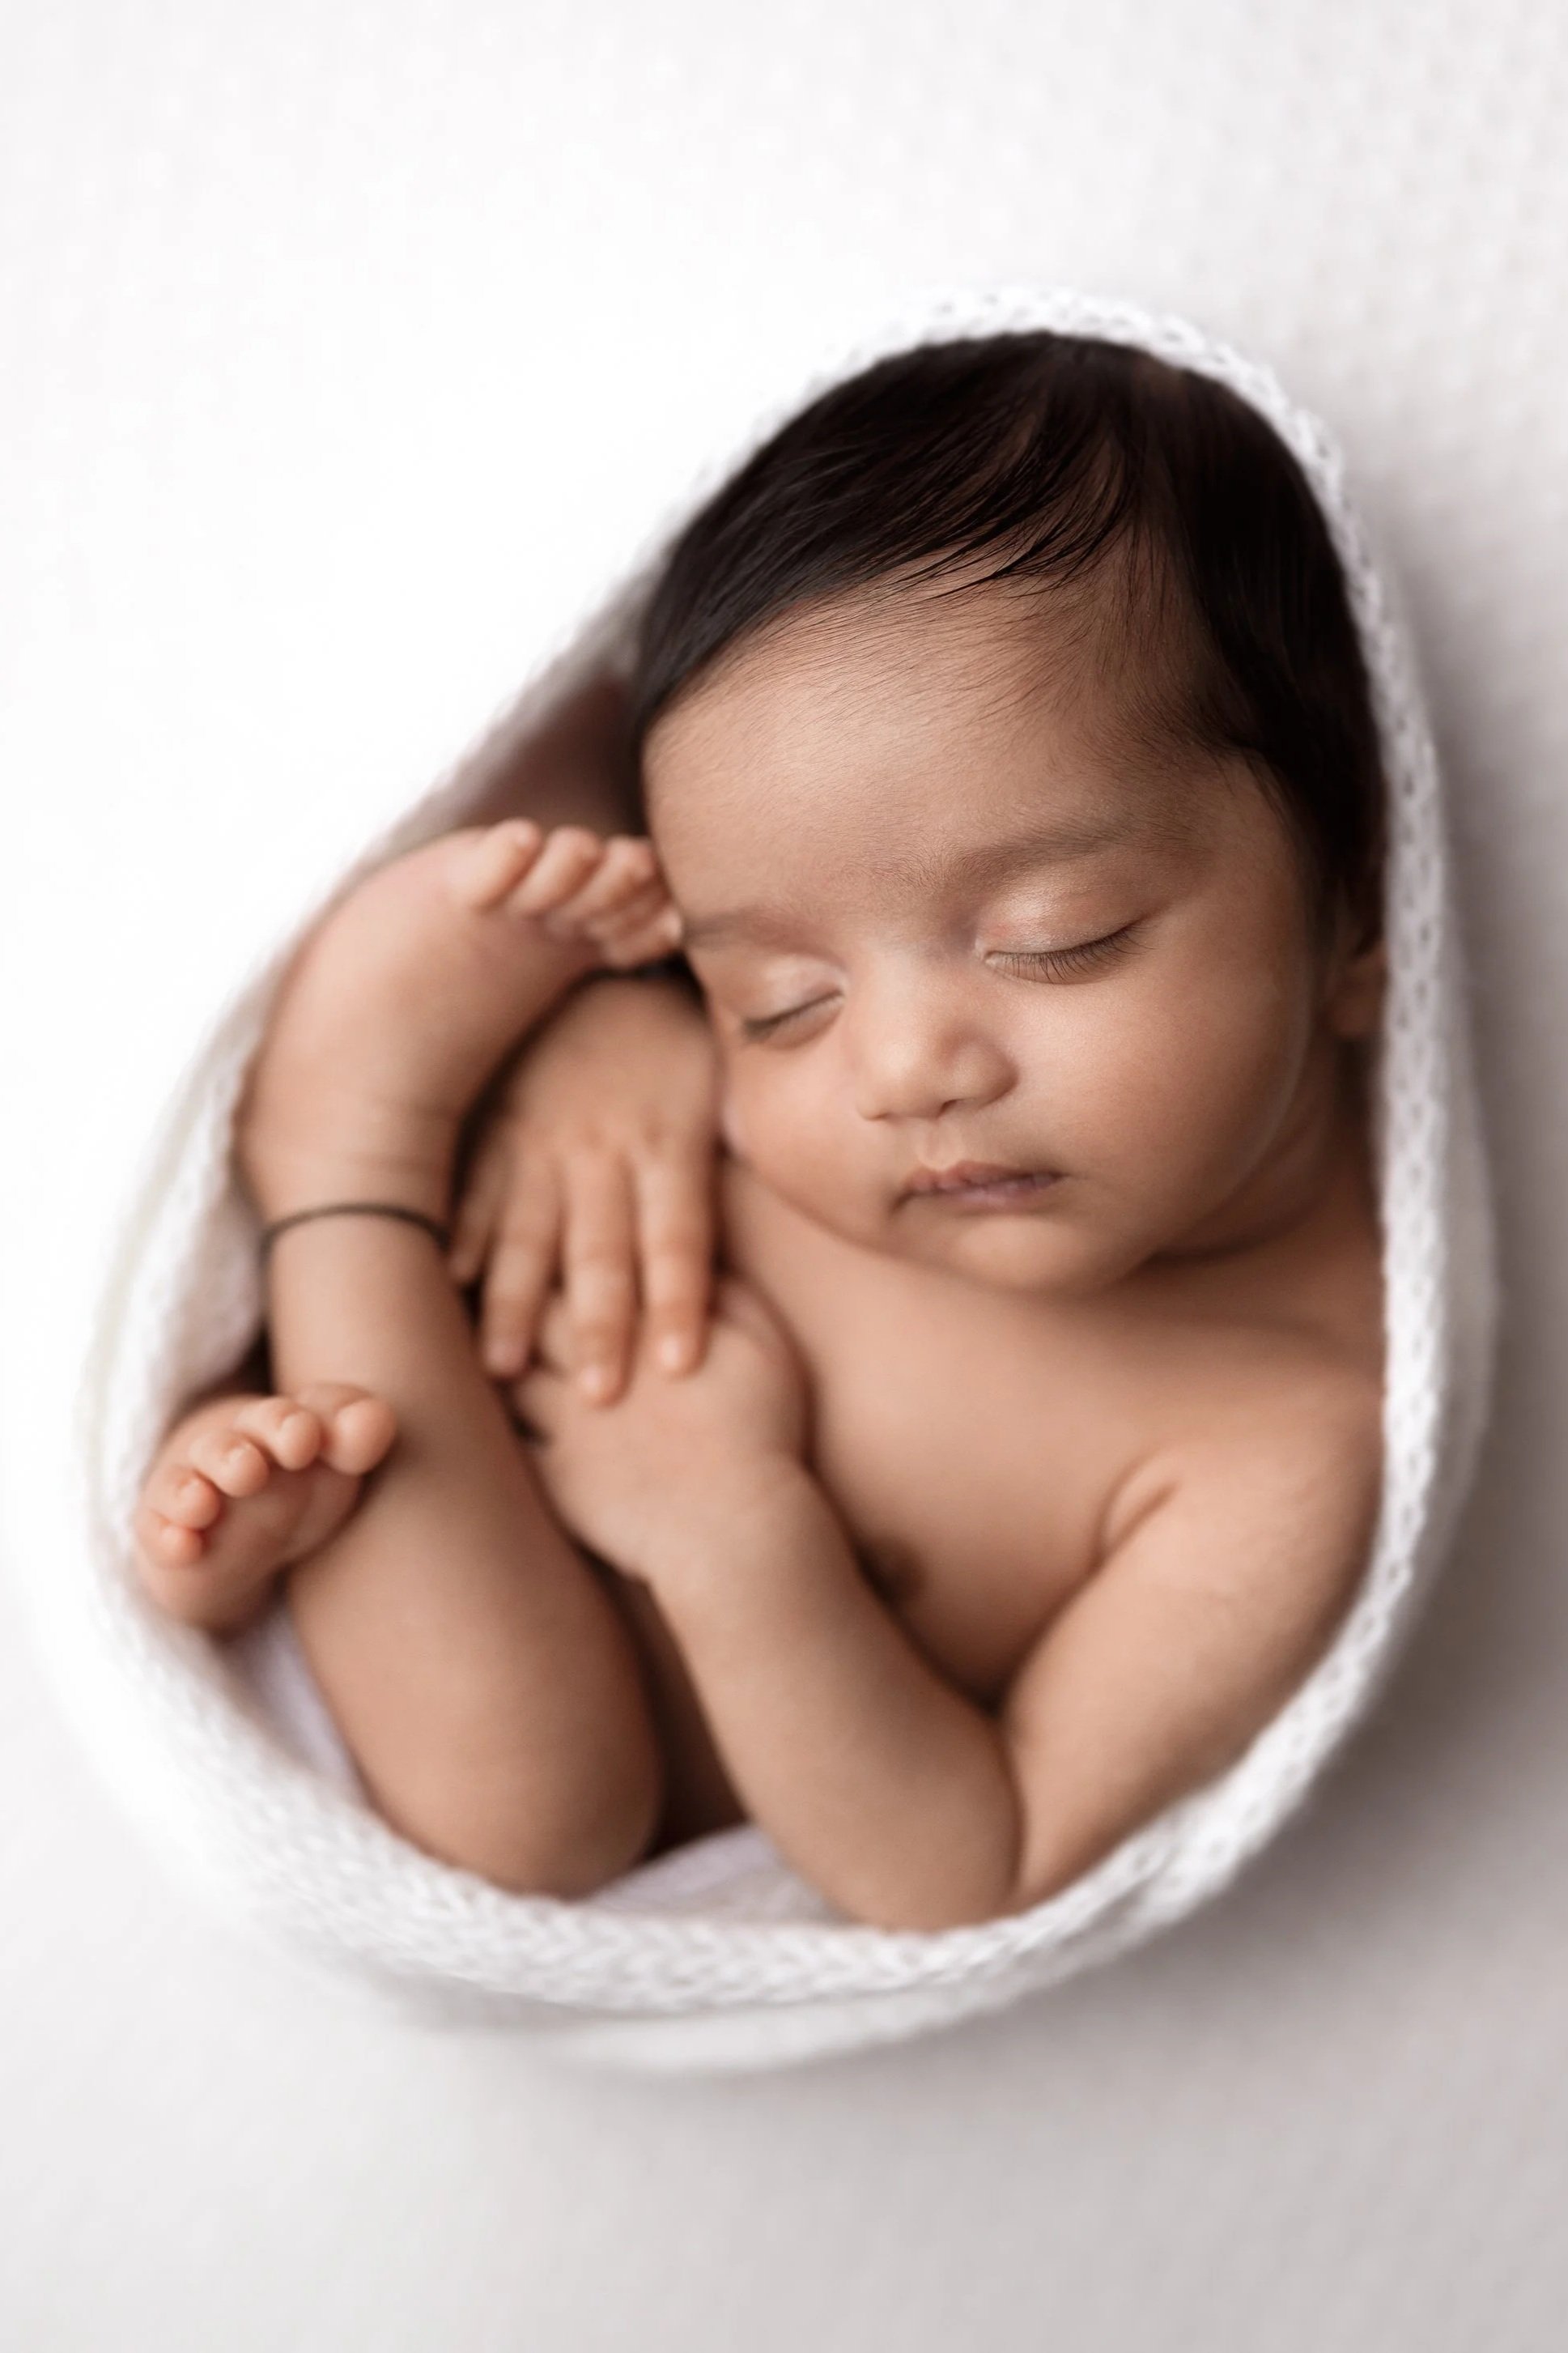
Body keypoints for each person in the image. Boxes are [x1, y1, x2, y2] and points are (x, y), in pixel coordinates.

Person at [129, 332, 1388, 1930]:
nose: (907, 1065)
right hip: (402, 1412)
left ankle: (342, 1167)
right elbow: (555, 719)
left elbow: (971, 1862)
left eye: (1054, 936)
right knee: (317, 1464)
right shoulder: (723, 974)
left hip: (511, 1650)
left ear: (1354, 916)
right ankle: (293, 1388)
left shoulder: (1284, 1444)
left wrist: (731, 1528)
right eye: (783, 1001)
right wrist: (615, 1025)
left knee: (539, 1811)